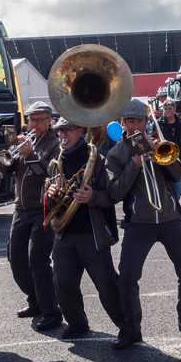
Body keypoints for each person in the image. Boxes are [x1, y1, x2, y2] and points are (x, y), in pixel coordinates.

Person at [106, 99, 181, 349]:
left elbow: (178, 175)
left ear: (147, 122)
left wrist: (160, 155)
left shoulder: (160, 144)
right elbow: (114, 192)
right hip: (139, 223)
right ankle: (132, 329)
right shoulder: (116, 154)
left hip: (171, 219)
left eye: (140, 121)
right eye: (130, 121)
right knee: (126, 277)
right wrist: (134, 166)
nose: (135, 126)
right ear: (123, 123)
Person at [45, 118, 125, 340]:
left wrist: (92, 197)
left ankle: (127, 327)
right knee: (62, 283)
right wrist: (50, 195)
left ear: (80, 130)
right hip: (64, 233)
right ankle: (77, 324)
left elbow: (111, 195)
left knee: (107, 285)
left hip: (92, 233)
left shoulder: (97, 160)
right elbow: (50, 201)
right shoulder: (55, 162)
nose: (63, 135)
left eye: (68, 130)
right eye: (60, 131)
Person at [0, 101, 62, 330]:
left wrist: (31, 155)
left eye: (39, 120)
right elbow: (6, 171)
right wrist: (8, 156)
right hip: (20, 209)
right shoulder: (25, 141)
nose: (33, 124)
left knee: (38, 259)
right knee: (15, 258)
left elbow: (49, 174)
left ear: (49, 121)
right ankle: (35, 299)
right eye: (31, 120)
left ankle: (52, 309)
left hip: (42, 209)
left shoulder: (55, 145)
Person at [157, 99, 181, 200]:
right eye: (165, 108)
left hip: (179, 162)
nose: (167, 110)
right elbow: (153, 138)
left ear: (174, 110)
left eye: (170, 108)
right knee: (163, 189)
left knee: (177, 189)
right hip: (163, 162)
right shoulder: (158, 124)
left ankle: (175, 208)